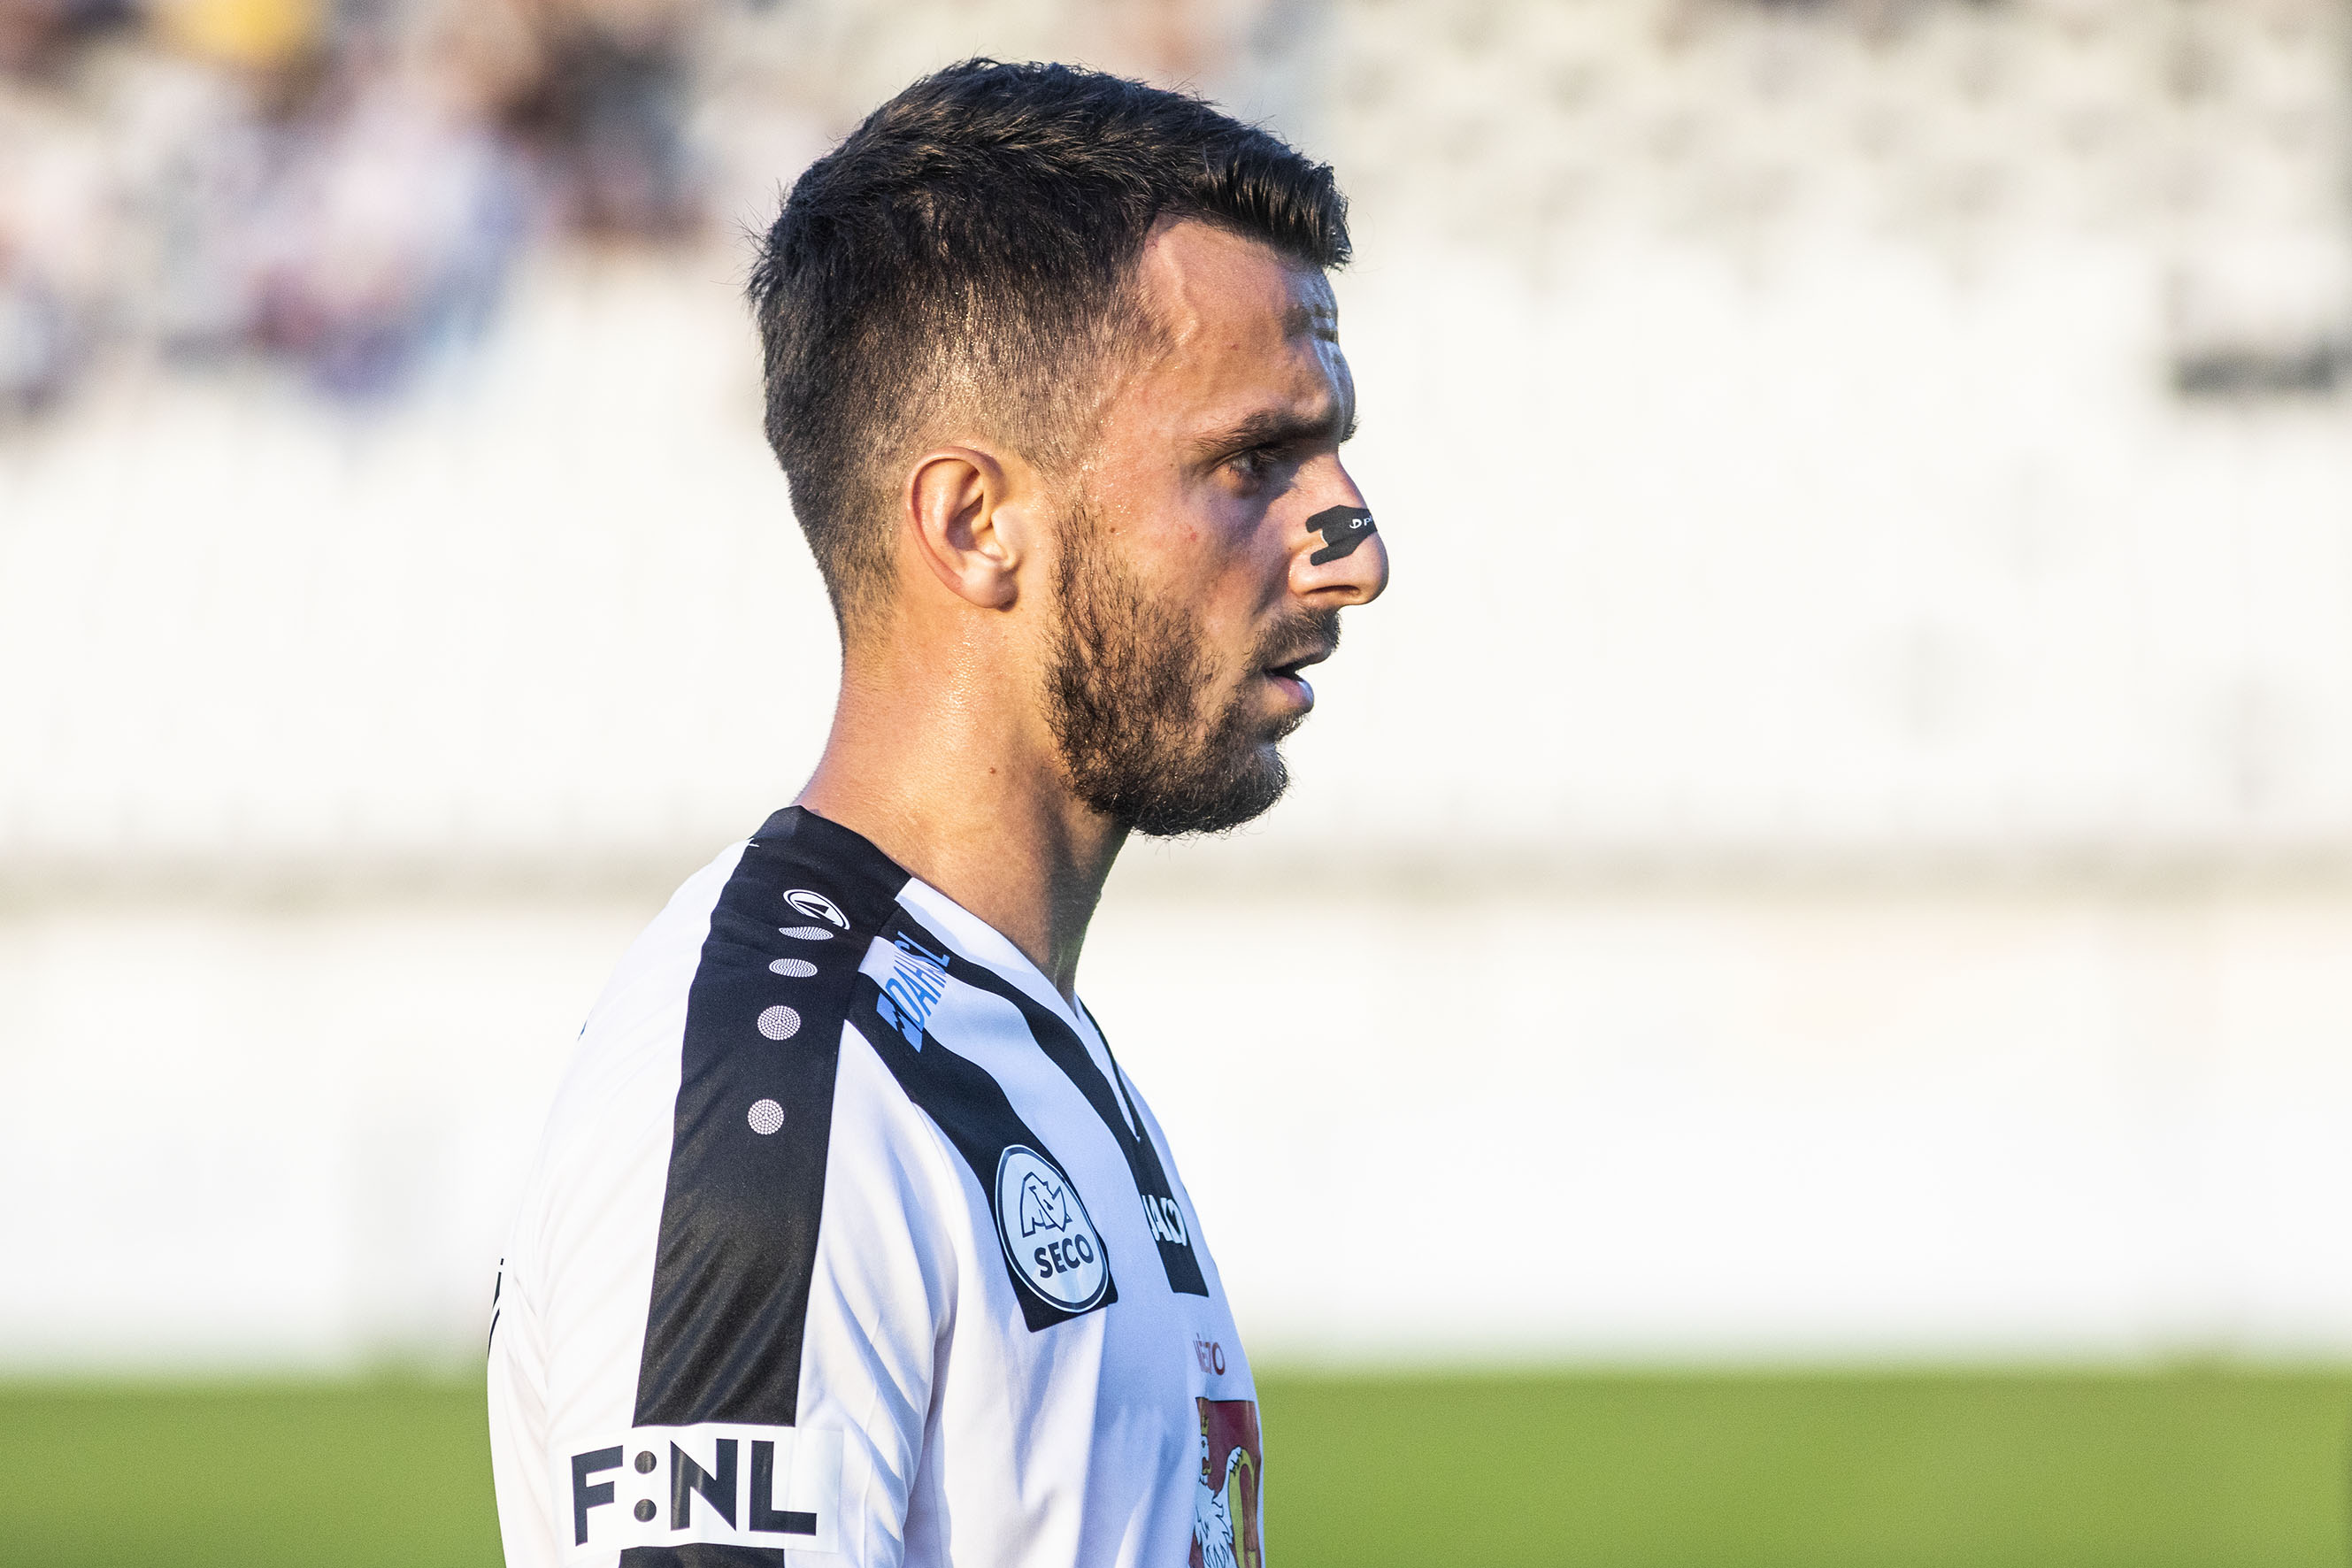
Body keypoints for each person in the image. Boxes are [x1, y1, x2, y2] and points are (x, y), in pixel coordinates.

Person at [486, 58, 1387, 1568]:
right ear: (974, 524)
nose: (1354, 552)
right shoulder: (791, 1106)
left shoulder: (987, 1028)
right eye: (1252, 461)